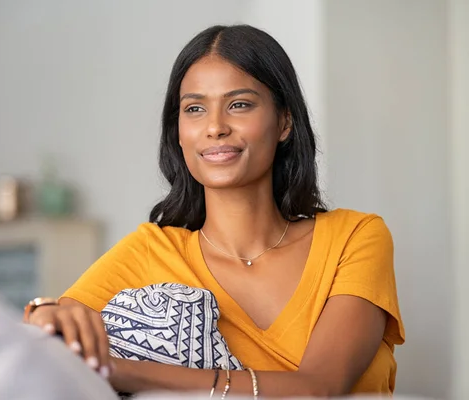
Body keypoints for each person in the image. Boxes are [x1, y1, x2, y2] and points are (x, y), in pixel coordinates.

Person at [25, 24, 405, 398]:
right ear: (178, 130)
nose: (215, 127)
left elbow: (317, 389)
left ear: (284, 122)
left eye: (239, 104)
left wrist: (124, 372)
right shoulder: (150, 250)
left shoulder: (355, 238)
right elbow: (50, 333)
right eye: (194, 109)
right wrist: (45, 311)